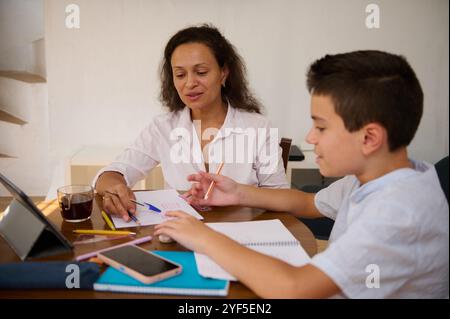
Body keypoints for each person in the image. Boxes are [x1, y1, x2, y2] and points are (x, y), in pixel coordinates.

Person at [155, 50, 449, 298]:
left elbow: (292, 288)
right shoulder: (380, 177)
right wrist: (238, 192)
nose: (310, 138)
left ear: (370, 138)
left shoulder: (398, 214)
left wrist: (204, 238)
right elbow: (308, 203)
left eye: (321, 127)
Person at [94, 24, 289, 221]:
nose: (189, 83)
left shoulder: (258, 127)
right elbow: (115, 171)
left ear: (223, 73)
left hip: (242, 235)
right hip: (181, 235)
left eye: (201, 72)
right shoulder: (163, 127)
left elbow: (281, 197)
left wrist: (240, 194)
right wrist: (114, 187)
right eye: (180, 74)